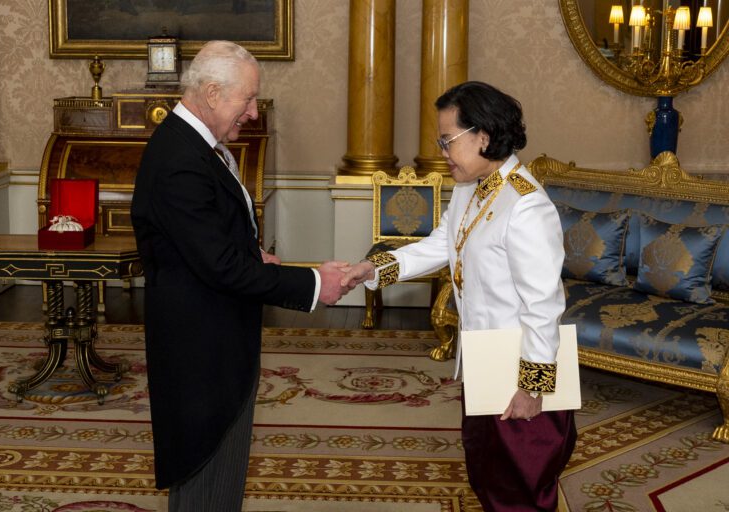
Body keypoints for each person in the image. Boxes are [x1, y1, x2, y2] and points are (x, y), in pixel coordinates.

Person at [131, 40, 351, 511]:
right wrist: (313, 283)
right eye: (246, 99)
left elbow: (213, 239)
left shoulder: (197, 146)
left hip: (218, 333)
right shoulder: (180, 160)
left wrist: (256, 258)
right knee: (204, 469)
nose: (253, 112)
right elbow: (218, 266)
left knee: (222, 469)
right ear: (212, 93)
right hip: (199, 346)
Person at [342, 81, 577, 511]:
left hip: (519, 374)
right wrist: (372, 269)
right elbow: (440, 245)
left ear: (483, 137)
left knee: (521, 487)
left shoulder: (527, 206)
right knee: (487, 472)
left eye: (447, 140)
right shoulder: (472, 186)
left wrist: (532, 387)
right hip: (485, 363)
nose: (442, 151)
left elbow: (544, 305)